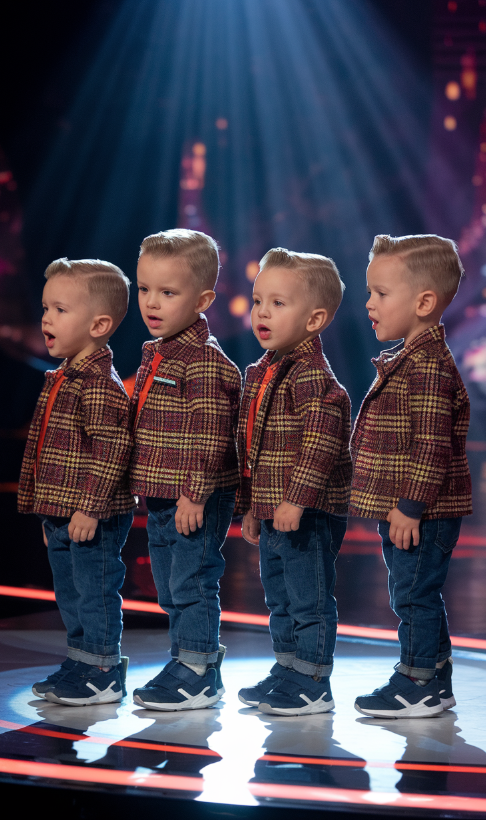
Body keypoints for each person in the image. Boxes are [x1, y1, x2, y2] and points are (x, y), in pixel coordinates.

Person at [351, 234, 472, 718]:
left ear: (423, 302)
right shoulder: (411, 360)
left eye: (381, 293)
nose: (369, 303)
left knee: (413, 593)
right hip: (410, 507)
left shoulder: (427, 368)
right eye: (370, 292)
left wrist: (410, 506)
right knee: (415, 589)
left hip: (423, 511)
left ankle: (418, 679)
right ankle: (433, 674)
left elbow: (431, 446)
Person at [236, 248, 352, 716]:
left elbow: (320, 447)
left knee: (308, 597)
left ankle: (312, 679)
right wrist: (251, 506)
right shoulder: (265, 370)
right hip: (272, 508)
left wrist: (296, 502)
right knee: (278, 593)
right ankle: (287, 667)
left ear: (314, 318)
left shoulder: (312, 377)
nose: (262, 312)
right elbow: (253, 447)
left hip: (306, 512)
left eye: (278, 303)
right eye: (258, 300)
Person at [130, 229, 241, 711]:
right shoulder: (157, 352)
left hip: (191, 498)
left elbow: (211, 434)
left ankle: (197, 668)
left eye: (168, 293)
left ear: (203, 300)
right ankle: (186, 659)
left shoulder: (204, 362)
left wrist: (194, 494)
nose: (151, 302)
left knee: (191, 581)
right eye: (144, 289)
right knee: (169, 586)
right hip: (160, 494)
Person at [18, 258, 135, 705]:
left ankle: (102, 668)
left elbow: (111, 450)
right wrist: (49, 513)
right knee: (70, 592)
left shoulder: (99, 384)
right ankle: (81, 657)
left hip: (92, 513)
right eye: (46, 308)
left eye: (60, 310)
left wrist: (89, 508)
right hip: (63, 512)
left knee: (94, 590)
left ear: (98, 324)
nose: (47, 318)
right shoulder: (63, 378)